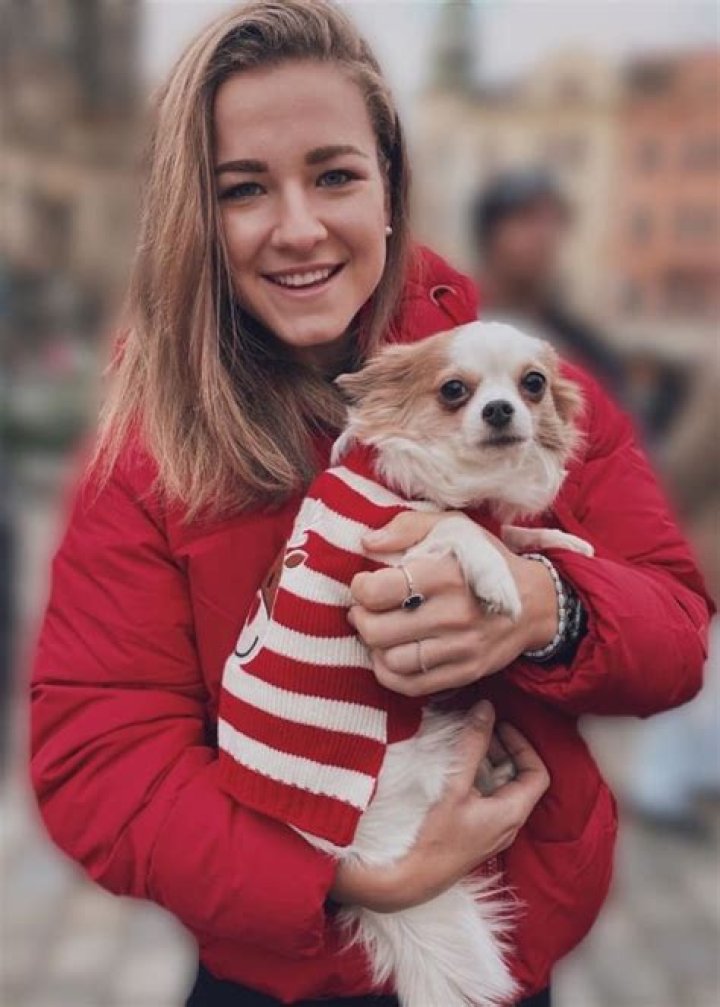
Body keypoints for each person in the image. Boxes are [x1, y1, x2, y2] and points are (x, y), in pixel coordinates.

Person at [29, 4, 711, 1006]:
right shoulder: (146, 442)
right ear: (196, 217)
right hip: (281, 970)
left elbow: (679, 625)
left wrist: (547, 608)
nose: (299, 226)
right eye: (243, 188)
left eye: (335, 175)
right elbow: (98, 757)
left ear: (391, 185)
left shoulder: (514, 373)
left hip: (503, 949)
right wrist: (356, 879)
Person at [471, 169, 628, 403]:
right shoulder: (448, 326)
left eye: (552, 222)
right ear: (490, 234)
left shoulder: (584, 350)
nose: (543, 236)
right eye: (525, 219)